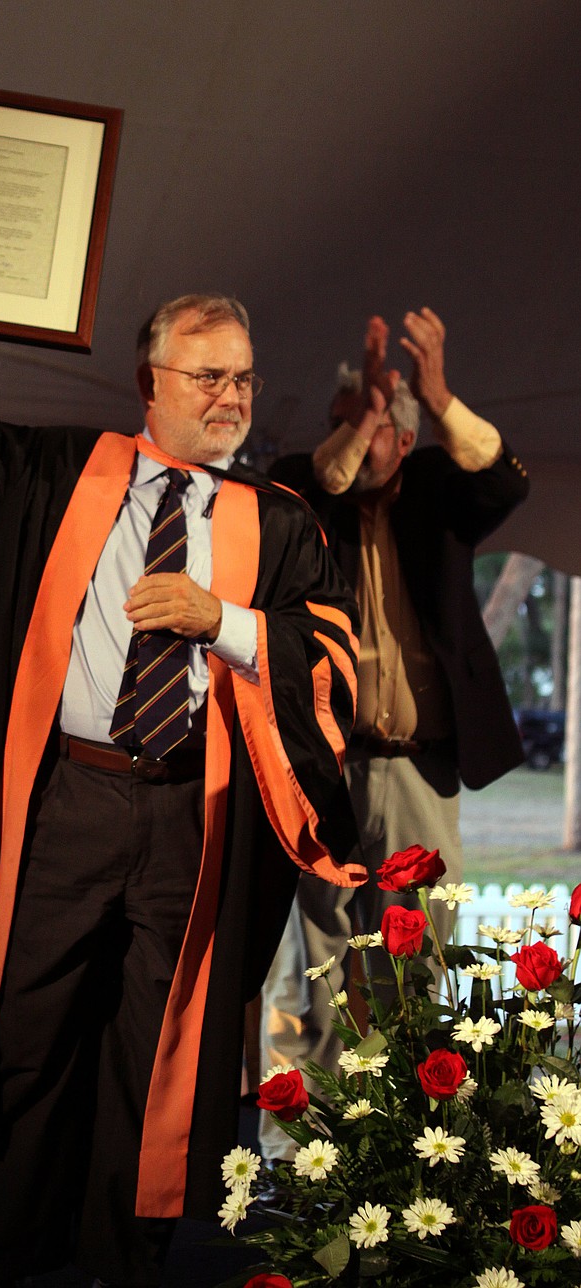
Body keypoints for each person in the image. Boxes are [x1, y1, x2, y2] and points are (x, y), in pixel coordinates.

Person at [0, 260, 366, 1288]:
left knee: (153, 1049)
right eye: (207, 376)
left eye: (244, 380)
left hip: (191, 814)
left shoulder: (280, 521)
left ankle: (123, 1263)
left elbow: (334, 655)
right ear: (151, 383)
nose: (230, 398)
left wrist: (224, 620)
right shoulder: (63, 474)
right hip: (67, 802)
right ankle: (19, 1255)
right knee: (31, 1029)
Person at [262, 309, 529, 1129]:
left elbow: (505, 478)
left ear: (406, 444)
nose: (352, 439)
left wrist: (436, 394)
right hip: (326, 770)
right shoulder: (306, 500)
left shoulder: (441, 497)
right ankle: (297, 1150)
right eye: (345, 424)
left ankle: (409, 1143)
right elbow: (323, 477)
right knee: (317, 961)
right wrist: (369, 409)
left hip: (421, 765)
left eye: (375, 428)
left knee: (417, 956)